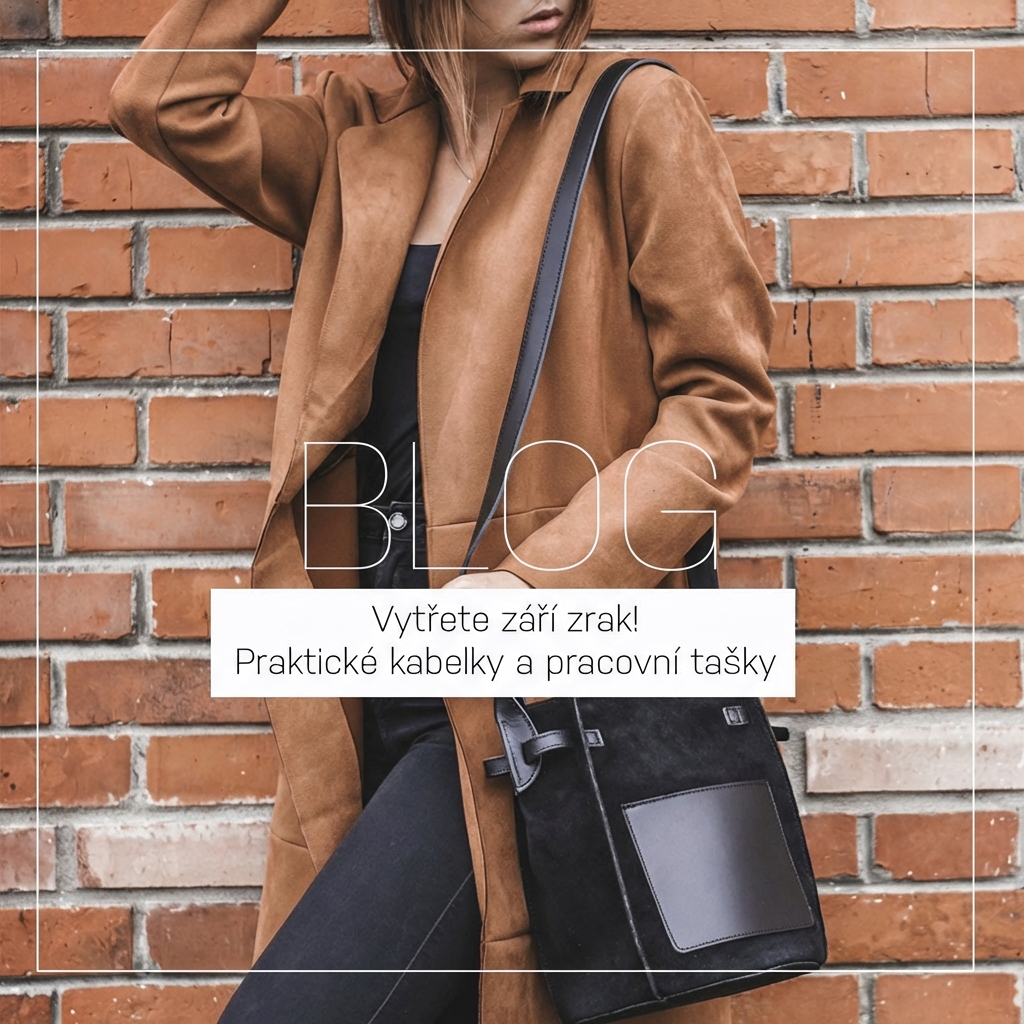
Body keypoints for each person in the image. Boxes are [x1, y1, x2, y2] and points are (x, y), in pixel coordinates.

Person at [109, 2, 776, 1022]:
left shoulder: (632, 115)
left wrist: (535, 584)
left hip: (526, 696)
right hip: (364, 684)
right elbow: (163, 99)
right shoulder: (357, 146)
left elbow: (721, 407)